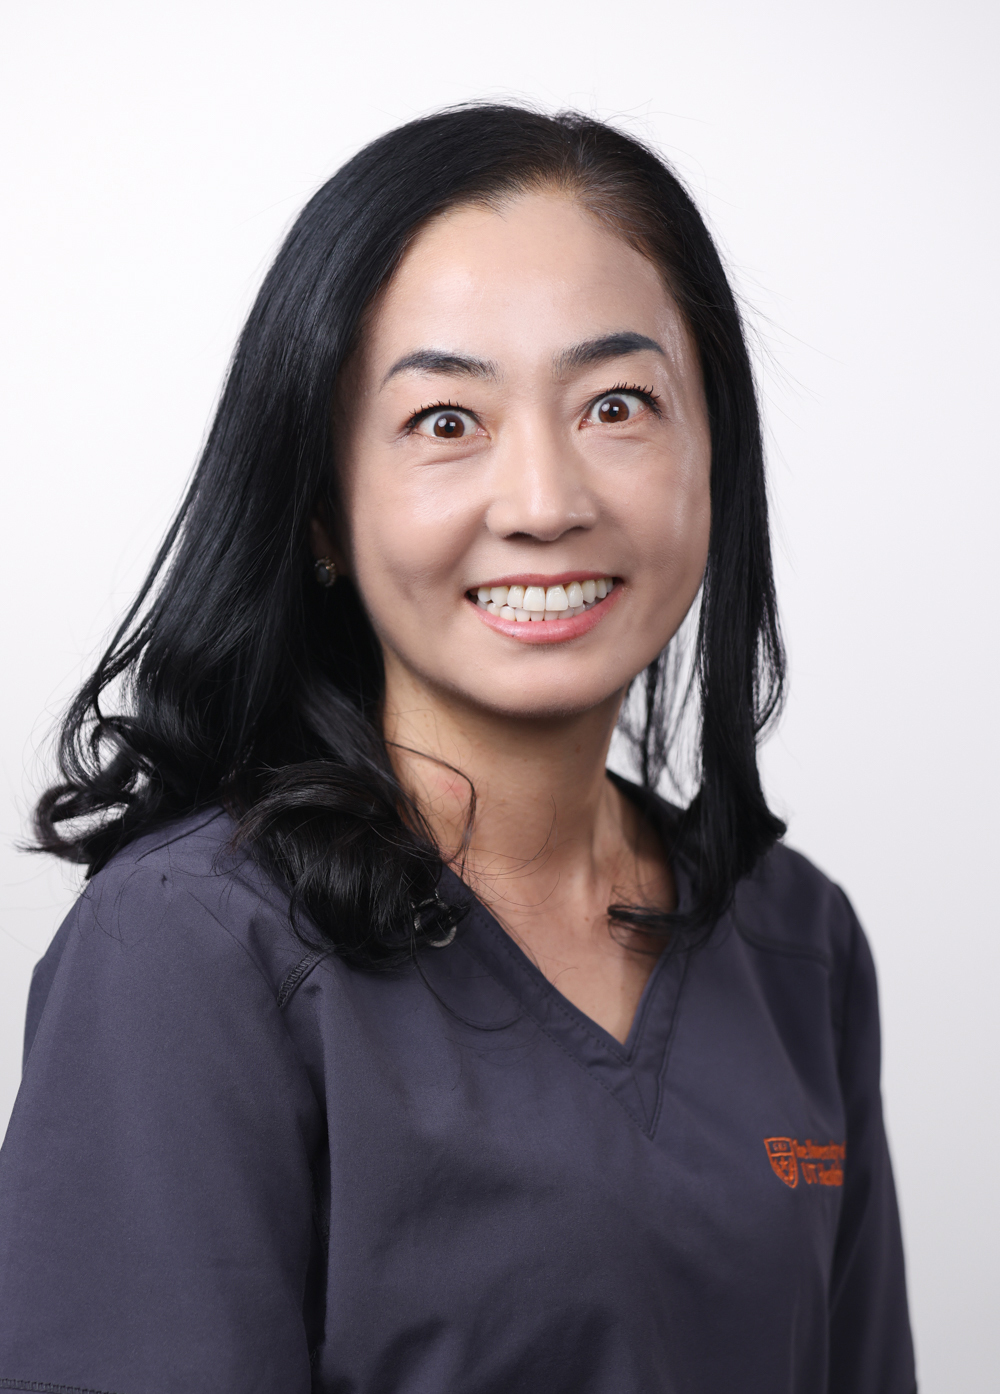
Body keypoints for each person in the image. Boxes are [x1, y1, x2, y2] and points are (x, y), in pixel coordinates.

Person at [0, 105, 915, 1393]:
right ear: (322, 507)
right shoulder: (188, 954)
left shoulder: (800, 947)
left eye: (616, 403)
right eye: (445, 421)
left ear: (716, 463)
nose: (546, 501)